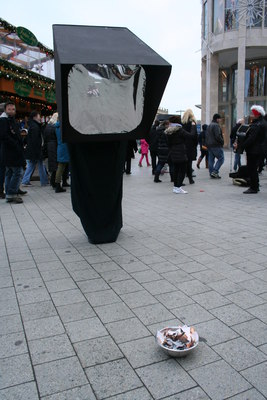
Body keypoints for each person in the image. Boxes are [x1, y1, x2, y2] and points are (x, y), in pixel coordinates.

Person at [236, 105, 267, 194]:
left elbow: (251, 138)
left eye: (252, 114)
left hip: (254, 150)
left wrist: (242, 146)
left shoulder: (257, 124)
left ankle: (254, 187)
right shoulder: (262, 123)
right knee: (254, 168)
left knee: (252, 168)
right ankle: (255, 186)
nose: (251, 115)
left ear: (257, 114)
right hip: (259, 149)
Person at [0, 102, 25, 203]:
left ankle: (9, 194)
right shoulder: (4, 121)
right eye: (9, 109)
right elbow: (4, 136)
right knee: (17, 172)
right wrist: (15, 144)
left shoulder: (10, 120)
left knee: (9, 172)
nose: (11, 111)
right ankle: (11, 193)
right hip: (11, 151)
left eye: (13, 109)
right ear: (5, 110)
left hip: (10, 151)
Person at [166, 116, 196, 194]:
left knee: (176, 170)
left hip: (173, 153)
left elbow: (168, 143)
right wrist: (193, 126)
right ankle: (178, 187)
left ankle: (175, 187)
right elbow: (191, 136)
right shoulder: (180, 130)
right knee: (182, 170)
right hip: (181, 153)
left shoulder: (168, 131)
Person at [21, 111, 48, 187]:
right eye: (39, 116)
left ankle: (26, 180)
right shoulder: (35, 127)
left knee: (32, 165)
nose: (40, 117)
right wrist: (39, 150)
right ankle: (44, 181)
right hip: (36, 150)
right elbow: (36, 140)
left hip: (32, 150)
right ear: (35, 117)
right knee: (39, 165)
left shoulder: (32, 126)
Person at [181, 109, 198, 184]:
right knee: (189, 163)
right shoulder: (192, 123)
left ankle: (181, 178)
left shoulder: (182, 124)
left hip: (183, 145)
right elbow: (195, 136)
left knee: (183, 163)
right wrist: (195, 144)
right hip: (190, 145)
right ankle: (190, 179)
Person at [206, 113, 224, 179]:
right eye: (220, 119)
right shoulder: (216, 125)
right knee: (221, 158)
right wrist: (222, 141)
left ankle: (211, 173)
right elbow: (218, 136)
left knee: (211, 159)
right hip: (216, 145)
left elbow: (207, 136)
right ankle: (215, 171)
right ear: (217, 119)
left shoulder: (209, 125)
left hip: (209, 145)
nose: (220, 120)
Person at [54, 120, 70, 193]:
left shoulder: (57, 126)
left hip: (60, 147)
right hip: (65, 147)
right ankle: (58, 185)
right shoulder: (63, 127)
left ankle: (62, 183)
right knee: (61, 167)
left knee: (62, 166)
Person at [43, 112, 58, 188]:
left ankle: (52, 181)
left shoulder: (47, 126)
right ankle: (54, 182)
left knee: (52, 165)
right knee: (55, 165)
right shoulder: (54, 127)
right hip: (54, 146)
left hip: (49, 147)